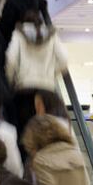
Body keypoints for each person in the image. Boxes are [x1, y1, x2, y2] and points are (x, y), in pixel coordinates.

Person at [5, 9, 68, 148]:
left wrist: (11, 80)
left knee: (25, 132)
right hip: (47, 92)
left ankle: (27, 165)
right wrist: (50, 74)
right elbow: (64, 60)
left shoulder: (18, 34)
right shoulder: (52, 35)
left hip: (24, 90)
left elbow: (10, 60)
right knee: (47, 132)